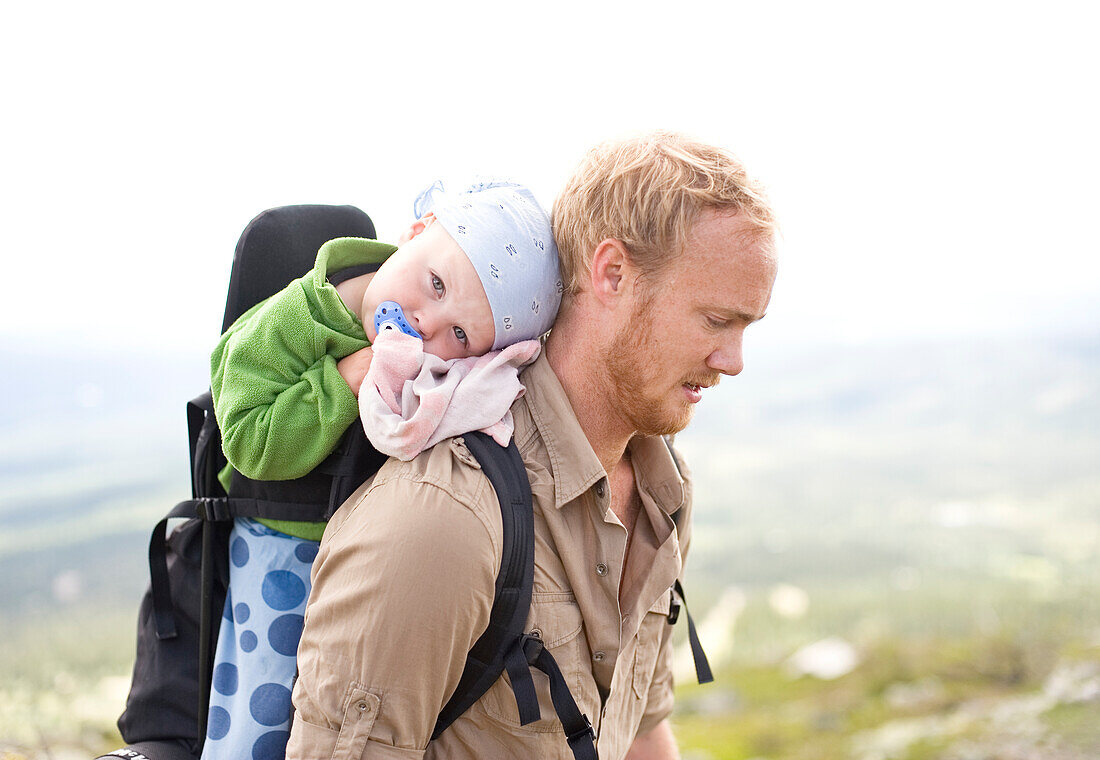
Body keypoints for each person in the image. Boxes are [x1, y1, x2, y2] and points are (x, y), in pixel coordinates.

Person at [285, 131, 779, 760]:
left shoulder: (660, 492)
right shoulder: (442, 520)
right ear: (612, 274)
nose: (733, 361)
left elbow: (640, 733)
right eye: (716, 321)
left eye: (745, 327)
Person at [203, 181, 562, 760]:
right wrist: (352, 376)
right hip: (285, 546)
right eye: (436, 284)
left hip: (372, 567)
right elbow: (248, 440)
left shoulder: (439, 365)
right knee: (261, 727)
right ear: (417, 233)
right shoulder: (303, 314)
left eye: (461, 334)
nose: (427, 325)